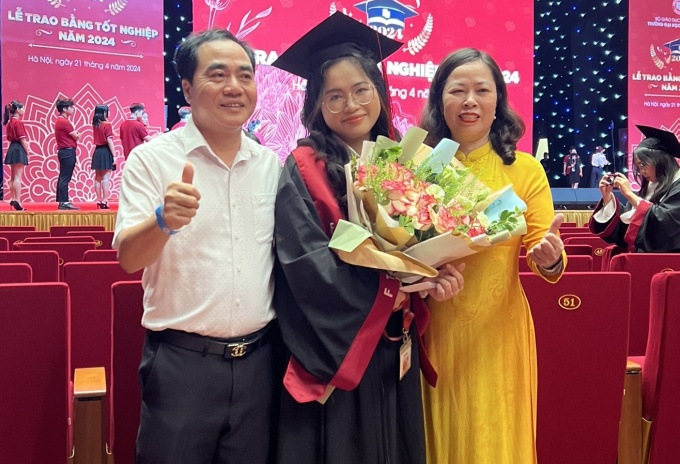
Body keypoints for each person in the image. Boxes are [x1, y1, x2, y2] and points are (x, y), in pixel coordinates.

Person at [271, 13, 464, 464]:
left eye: (361, 90)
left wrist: (435, 278)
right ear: (315, 105)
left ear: (379, 92)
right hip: (340, 352)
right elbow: (305, 266)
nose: (351, 104)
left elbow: (419, 244)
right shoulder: (303, 168)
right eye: (333, 96)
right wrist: (390, 289)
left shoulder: (404, 163)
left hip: (396, 347)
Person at [112, 29, 281, 463]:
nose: (234, 87)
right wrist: (163, 221)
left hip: (259, 365)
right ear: (187, 88)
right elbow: (129, 258)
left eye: (245, 75)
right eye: (217, 74)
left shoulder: (271, 165)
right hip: (182, 367)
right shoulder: (152, 160)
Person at [418, 47, 567, 464]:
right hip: (435, 328)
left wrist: (550, 256)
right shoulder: (421, 168)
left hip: (499, 332)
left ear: (497, 100)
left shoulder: (524, 170)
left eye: (482, 90)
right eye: (457, 90)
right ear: (439, 99)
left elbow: (545, 258)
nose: (469, 101)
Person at [589, 125, 680, 252]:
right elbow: (628, 226)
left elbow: (664, 223)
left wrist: (629, 195)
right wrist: (608, 197)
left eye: (644, 165)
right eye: (638, 166)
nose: (642, 171)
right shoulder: (650, 187)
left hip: (670, 262)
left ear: (661, 161)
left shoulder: (678, 186)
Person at [3, 100, 31, 211]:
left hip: (12, 147)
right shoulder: (18, 122)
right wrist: (28, 151)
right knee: (18, 177)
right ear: (18, 110)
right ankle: (18, 201)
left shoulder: (10, 122)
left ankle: (13, 198)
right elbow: (23, 139)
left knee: (13, 176)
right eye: (23, 108)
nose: (24, 110)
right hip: (18, 148)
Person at [54, 98, 80, 210]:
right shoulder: (64, 122)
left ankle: (62, 201)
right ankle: (64, 202)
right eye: (71, 107)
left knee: (63, 177)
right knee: (65, 178)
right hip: (67, 151)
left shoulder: (60, 120)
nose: (73, 109)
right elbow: (76, 136)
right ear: (64, 109)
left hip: (64, 151)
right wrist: (78, 135)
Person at [90, 105, 115, 209]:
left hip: (97, 151)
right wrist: (114, 155)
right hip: (105, 151)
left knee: (97, 177)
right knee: (106, 177)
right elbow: (109, 141)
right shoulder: (107, 124)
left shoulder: (95, 124)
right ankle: (105, 200)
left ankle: (98, 200)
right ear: (105, 112)